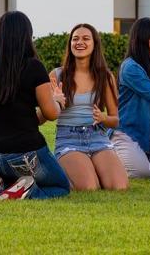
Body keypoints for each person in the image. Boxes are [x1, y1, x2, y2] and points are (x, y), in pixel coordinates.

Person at [0, 11, 70, 200]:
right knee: (61, 186)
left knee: (13, 178)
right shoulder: (34, 67)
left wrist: (3, 117)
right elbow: (51, 113)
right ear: (27, 35)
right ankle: (26, 191)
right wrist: (58, 101)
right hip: (24, 153)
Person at [50, 23, 128, 191]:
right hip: (68, 138)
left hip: (97, 137)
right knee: (89, 187)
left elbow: (115, 120)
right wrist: (55, 101)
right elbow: (47, 114)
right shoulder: (57, 75)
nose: (80, 42)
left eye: (86, 38)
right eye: (75, 39)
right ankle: (67, 168)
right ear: (70, 44)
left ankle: (89, 168)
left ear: (94, 45)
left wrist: (103, 118)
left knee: (119, 186)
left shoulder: (105, 76)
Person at [111, 17, 150, 178]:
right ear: (142, 40)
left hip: (145, 135)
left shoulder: (149, 64)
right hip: (126, 133)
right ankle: (110, 154)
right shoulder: (130, 68)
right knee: (142, 173)